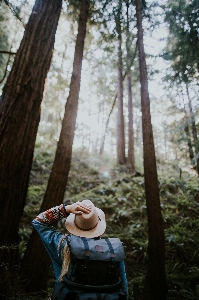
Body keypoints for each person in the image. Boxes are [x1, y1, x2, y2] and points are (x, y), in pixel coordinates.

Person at [33, 199, 128, 299]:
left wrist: (67, 208)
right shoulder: (113, 249)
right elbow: (123, 285)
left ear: (74, 224)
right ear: (98, 223)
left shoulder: (63, 245)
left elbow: (39, 222)